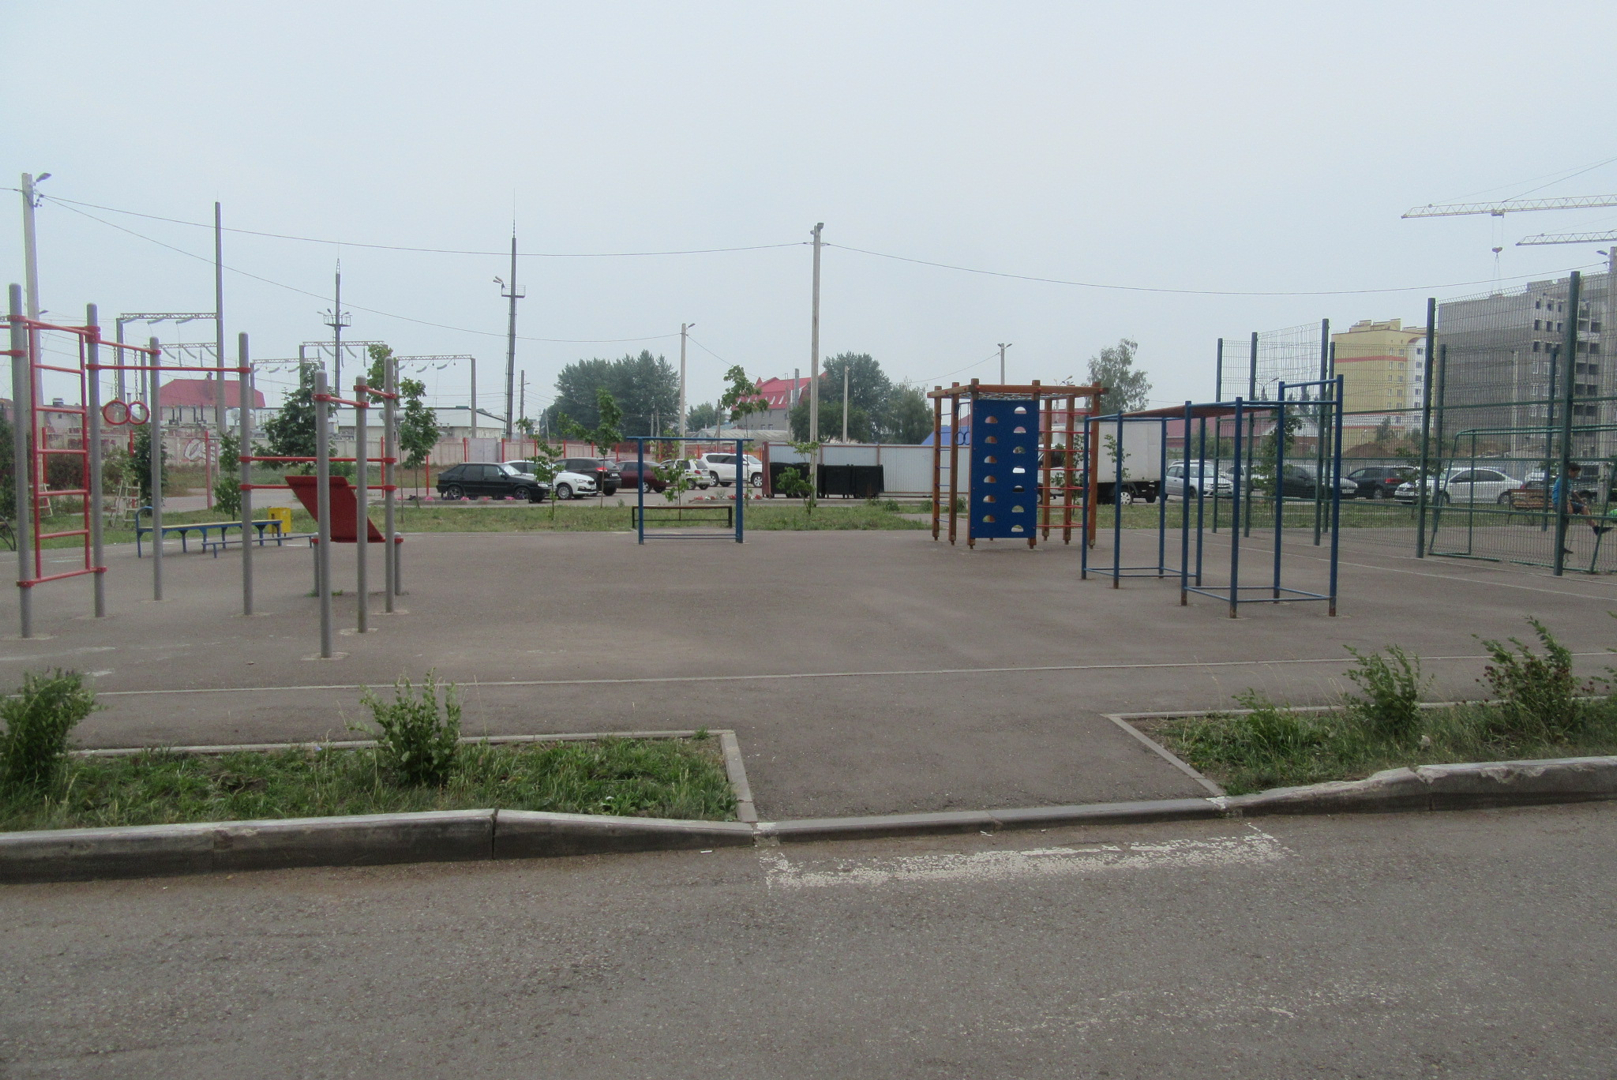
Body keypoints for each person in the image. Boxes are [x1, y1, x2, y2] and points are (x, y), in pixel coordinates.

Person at [1552, 462, 1609, 555]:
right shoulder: (1563, 480)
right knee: (1581, 510)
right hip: (1559, 503)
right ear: (1570, 471)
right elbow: (1563, 493)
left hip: (1562, 502)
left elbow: (1572, 492)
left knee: (1566, 525)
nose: (1576, 475)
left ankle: (1595, 528)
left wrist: (1580, 500)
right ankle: (1595, 528)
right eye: (1575, 473)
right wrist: (1569, 505)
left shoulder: (1568, 479)